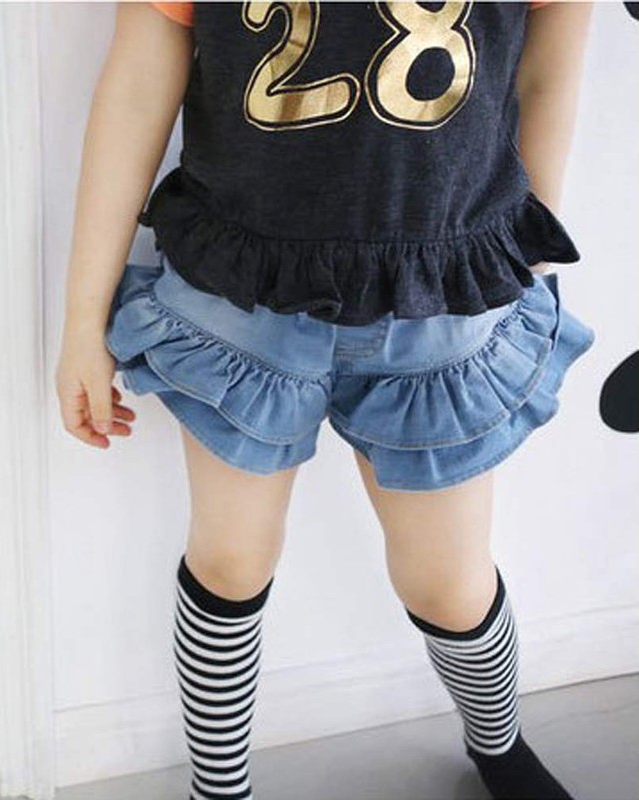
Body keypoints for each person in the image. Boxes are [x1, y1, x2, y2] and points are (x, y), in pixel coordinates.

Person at [55, 3, 595, 799]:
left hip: (446, 293)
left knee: (449, 584)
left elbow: (550, 67)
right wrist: (81, 320)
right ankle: (218, 787)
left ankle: (499, 743)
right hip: (242, 291)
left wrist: (529, 257)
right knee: (230, 561)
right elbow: (138, 83)